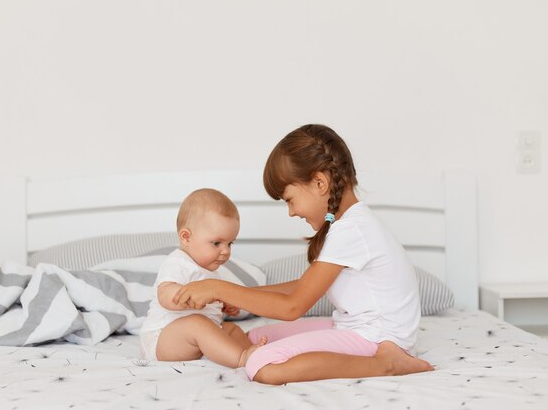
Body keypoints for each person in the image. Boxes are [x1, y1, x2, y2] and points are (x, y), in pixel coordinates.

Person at [174, 124, 435, 384]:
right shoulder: (349, 225)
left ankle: (385, 364)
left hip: (376, 338)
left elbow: (293, 307)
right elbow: (304, 287)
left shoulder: (352, 230)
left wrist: (217, 288)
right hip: (361, 329)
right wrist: (242, 298)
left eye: (289, 199)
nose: (291, 212)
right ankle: (382, 359)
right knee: (252, 339)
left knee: (261, 364)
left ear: (319, 183)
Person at [139, 188, 266, 368]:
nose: (226, 251)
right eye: (217, 243)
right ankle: (242, 358)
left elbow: (208, 307)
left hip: (190, 340)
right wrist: (187, 298)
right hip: (161, 340)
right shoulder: (178, 262)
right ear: (186, 237)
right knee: (198, 324)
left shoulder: (211, 271)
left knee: (230, 330)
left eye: (230, 243)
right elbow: (165, 295)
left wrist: (223, 305)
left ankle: (258, 355)